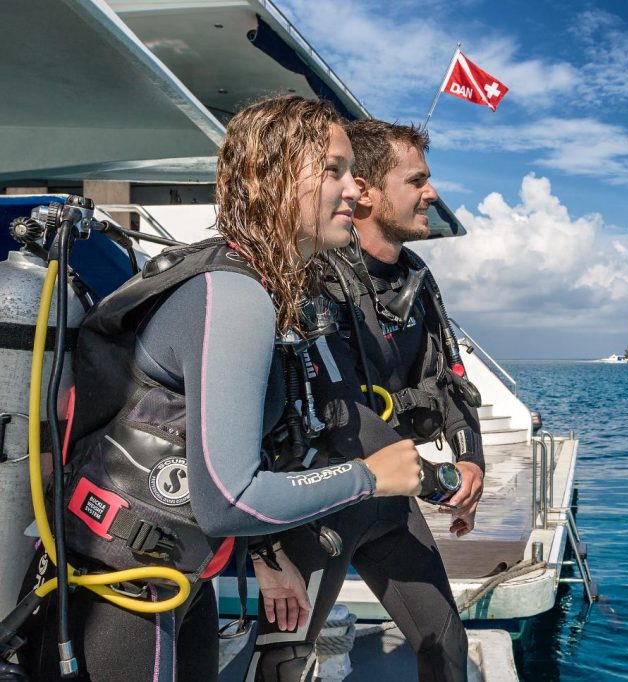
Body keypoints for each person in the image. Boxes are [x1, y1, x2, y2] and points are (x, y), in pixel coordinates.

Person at [14, 96, 423, 682]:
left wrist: (271, 556)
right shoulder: (234, 297)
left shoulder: (251, 285)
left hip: (173, 578)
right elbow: (231, 500)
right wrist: (371, 478)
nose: (355, 191)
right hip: (123, 596)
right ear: (276, 176)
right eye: (333, 170)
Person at [248, 120, 485, 682]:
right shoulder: (316, 276)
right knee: (285, 659)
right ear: (370, 192)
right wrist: (437, 482)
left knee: (445, 641)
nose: (432, 194)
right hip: (319, 503)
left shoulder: (416, 280)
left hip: (390, 495)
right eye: (418, 180)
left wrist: (471, 459)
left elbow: (450, 377)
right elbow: (337, 411)